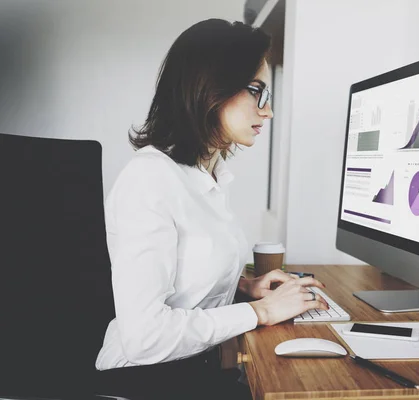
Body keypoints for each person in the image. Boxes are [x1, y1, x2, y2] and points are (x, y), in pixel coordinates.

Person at [94, 19, 329, 399]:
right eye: (257, 91)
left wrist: (244, 288)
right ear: (209, 89)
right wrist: (261, 312)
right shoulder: (150, 179)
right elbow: (143, 337)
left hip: (194, 373)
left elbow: (183, 276)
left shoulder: (208, 175)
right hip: (143, 382)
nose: (267, 112)